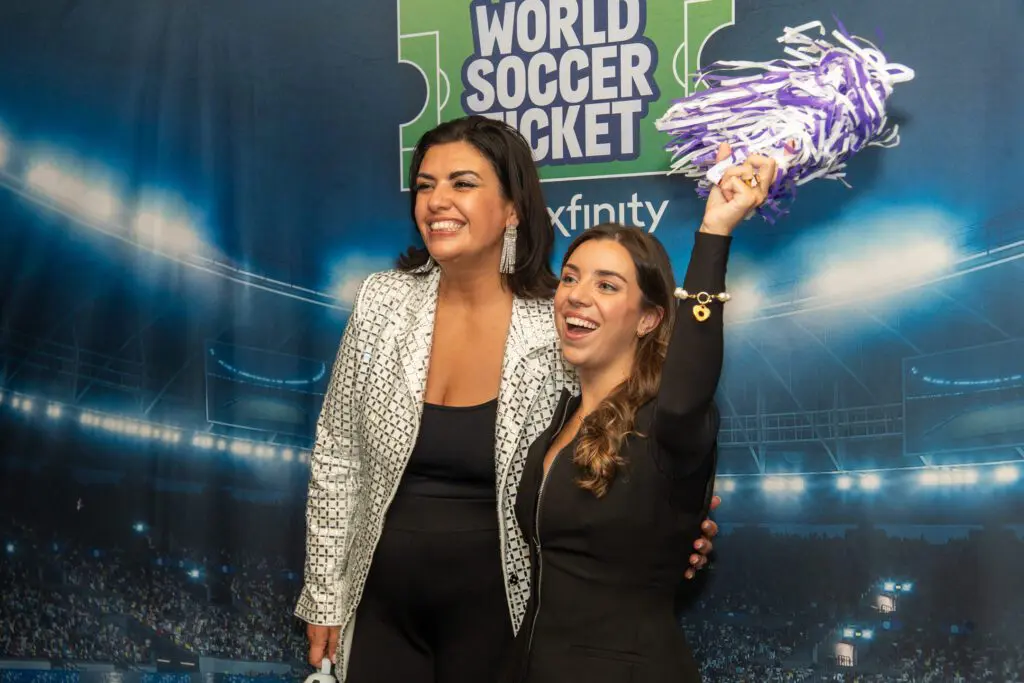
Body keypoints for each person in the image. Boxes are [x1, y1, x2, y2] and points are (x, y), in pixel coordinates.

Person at [294, 115, 719, 683]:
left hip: (506, 620)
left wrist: (677, 523)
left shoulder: (560, 321)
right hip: (379, 611)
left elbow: (628, 437)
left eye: (462, 183)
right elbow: (339, 453)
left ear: (514, 207)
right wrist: (324, 594)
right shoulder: (381, 303)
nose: (437, 200)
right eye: (425, 185)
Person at [502, 144, 776, 683]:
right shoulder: (559, 418)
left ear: (650, 319)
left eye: (607, 285)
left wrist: (715, 230)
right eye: (571, 277)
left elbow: (687, 386)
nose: (577, 296)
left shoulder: (667, 422)